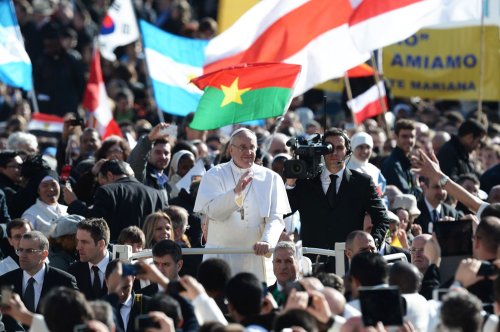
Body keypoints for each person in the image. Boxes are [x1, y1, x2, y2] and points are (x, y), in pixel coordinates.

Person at [194, 128, 290, 282]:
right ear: (231, 150)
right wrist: (235, 193)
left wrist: (267, 241)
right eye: (243, 147)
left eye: (252, 147)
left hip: (255, 257)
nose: (248, 151)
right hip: (220, 257)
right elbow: (212, 212)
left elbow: (276, 217)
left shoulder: (271, 178)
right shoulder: (214, 175)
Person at [286, 128, 389, 272]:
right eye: (329, 147)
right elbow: (285, 211)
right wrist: (290, 184)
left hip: (349, 263)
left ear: (348, 151)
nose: (334, 153)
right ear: (321, 150)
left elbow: (382, 219)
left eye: (339, 148)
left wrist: (370, 247)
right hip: (312, 262)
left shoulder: (362, 182)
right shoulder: (306, 181)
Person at [65, 160, 167, 241]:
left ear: (109, 175)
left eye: (101, 181)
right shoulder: (157, 194)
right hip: (147, 253)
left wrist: (74, 203)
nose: (101, 184)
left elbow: (95, 224)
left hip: (116, 252)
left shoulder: (106, 190)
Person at [0, 231, 78, 330]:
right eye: (20, 250)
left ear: (44, 254)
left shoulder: (64, 281)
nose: (22, 255)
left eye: (29, 251)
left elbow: (73, 318)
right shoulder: (5, 281)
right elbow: (5, 317)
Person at [68, 218, 112, 300]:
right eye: (78, 241)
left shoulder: (122, 268)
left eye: (84, 242)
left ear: (101, 244)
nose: (78, 247)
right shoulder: (73, 271)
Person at [128, 122, 173, 202]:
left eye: (166, 153)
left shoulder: (167, 182)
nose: (163, 156)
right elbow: (137, 163)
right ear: (148, 154)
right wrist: (149, 139)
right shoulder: (142, 176)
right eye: (158, 152)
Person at [381, 119, 422, 198]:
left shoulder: (407, 162)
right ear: (395, 137)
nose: (409, 140)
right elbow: (406, 196)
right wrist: (418, 188)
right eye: (404, 136)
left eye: (412, 136)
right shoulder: (393, 164)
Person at [347, 131, 386, 196]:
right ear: (353, 148)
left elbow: (381, 192)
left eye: (368, 147)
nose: (365, 151)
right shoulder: (345, 168)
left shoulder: (375, 170)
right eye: (360, 147)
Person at [268, 241, 300, 306]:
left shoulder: (309, 294)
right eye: (278, 261)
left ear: (298, 264)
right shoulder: (264, 296)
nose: (283, 267)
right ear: (273, 264)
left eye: (288, 261)